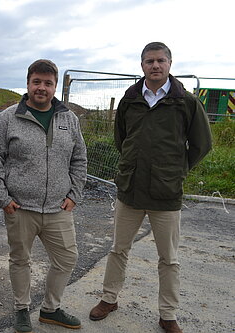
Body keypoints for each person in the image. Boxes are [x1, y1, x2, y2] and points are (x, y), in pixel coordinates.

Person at [89, 42, 212, 333]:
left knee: (168, 258)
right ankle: (109, 298)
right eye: (149, 61)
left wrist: (176, 170)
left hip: (166, 193)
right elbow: (122, 139)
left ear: (170, 63)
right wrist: (133, 163)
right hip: (130, 190)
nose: (155, 66)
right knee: (118, 249)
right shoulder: (130, 99)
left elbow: (201, 144)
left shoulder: (186, 102)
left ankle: (167, 314)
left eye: (160, 60)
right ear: (141, 65)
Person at [0, 59, 87, 332]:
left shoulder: (69, 119)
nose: (42, 88)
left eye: (48, 83)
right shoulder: (9, 117)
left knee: (67, 259)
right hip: (20, 209)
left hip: (58, 209)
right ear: (28, 83)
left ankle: (50, 309)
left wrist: (74, 195)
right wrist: (4, 200)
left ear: (55, 86)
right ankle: (21, 309)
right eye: (36, 82)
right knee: (20, 260)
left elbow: (79, 159)